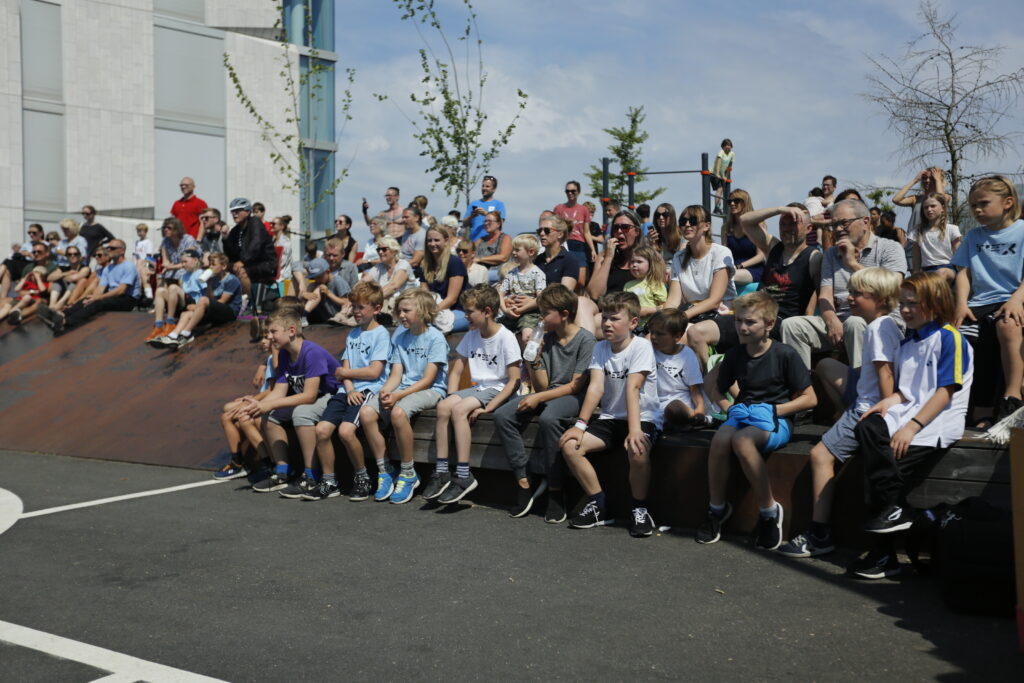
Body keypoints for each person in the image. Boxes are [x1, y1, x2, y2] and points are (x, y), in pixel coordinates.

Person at [850, 272, 973, 579]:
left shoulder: (950, 337)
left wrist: (912, 427)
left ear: (935, 303)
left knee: (883, 472)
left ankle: (884, 554)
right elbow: (907, 391)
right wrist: (888, 402)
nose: (905, 310)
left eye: (913, 303)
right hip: (907, 413)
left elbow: (945, 391)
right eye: (903, 303)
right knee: (867, 427)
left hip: (936, 423)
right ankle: (895, 511)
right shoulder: (908, 343)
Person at [778, 268, 903, 558]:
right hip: (865, 398)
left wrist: (883, 417)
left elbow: (886, 375)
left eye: (859, 294)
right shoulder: (886, 325)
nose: (850, 297)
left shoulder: (877, 328)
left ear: (881, 299)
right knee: (826, 368)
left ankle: (819, 532)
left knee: (820, 455)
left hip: (867, 407)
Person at [697, 291, 817, 550]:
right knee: (720, 440)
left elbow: (810, 399)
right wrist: (727, 406)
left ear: (770, 324)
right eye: (739, 320)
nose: (742, 327)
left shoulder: (785, 354)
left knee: (741, 441)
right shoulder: (736, 354)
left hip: (777, 420)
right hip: (745, 416)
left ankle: (769, 511)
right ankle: (716, 508)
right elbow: (715, 387)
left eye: (750, 322)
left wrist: (774, 410)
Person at [558, 291, 662, 537]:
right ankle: (598, 503)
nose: (606, 324)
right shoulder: (600, 348)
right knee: (570, 445)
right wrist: (580, 425)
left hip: (643, 417)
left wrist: (635, 430)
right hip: (611, 418)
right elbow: (595, 388)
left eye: (614, 319)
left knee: (637, 449)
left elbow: (633, 387)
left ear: (633, 323)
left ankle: (639, 508)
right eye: (604, 318)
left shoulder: (642, 347)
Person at [493, 284, 596, 521]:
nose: (540, 318)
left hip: (571, 397)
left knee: (550, 419)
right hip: (548, 393)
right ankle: (524, 480)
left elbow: (575, 386)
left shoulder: (586, 340)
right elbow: (541, 386)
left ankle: (556, 490)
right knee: (502, 416)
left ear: (564, 314)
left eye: (545, 313)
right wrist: (535, 359)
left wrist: (538, 397)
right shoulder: (547, 338)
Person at [779, 199, 908, 370]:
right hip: (841, 319)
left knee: (854, 323)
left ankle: (863, 389)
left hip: (882, 320)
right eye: (834, 224)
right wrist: (832, 320)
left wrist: (852, 263)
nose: (838, 229)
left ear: (866, 222)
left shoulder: (890, 248)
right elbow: (825, 296)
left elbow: (892, 288)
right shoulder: (832, 254)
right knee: (792, 325)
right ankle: (803, 390)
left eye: (844, 223)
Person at [422, 285, 522, 504]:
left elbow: (514, 381)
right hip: (478, 388)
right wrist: (450, 395)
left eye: (469, 312)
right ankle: (441, 471)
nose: (465, 316)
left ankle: (465, 474)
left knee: (458, 410)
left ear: (487, 311)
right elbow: (456, 370)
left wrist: (490, 407)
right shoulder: (472, 334)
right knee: (443, 407)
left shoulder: (506, 338)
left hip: (497, 389)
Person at [359, 289, 449, 504]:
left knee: (398, 413)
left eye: (406, 310)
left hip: (431, 390)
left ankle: (408, 472)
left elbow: (428, 379)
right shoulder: (400, 335)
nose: (401, 315)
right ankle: (385, 470)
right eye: (399, 311)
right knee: (367, 413)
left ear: (424, 311)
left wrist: (398, 395)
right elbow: (396, 373)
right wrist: (387, 390)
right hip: (405, 387)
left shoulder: (435, 338)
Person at [239, 308, 341, 495]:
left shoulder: (311, 352)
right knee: (269, 415)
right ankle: (283, 472)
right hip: (315, 397)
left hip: (334, 396)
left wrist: (268, 403)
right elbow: (279, 391)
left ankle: (312, 475)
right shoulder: (285, 354)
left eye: (273, 332)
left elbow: (309, 395)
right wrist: (257, 405)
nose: (269, 337)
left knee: (301, 412)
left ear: (292, 331)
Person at [309, 281, 392, 501]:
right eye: (353, 306)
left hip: (369, 391)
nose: (355, 311)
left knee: (346, 431)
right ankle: (329, 481)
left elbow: (374, 372)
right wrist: (349, 386)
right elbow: (343, 370)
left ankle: (362, 477)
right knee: (322, 430)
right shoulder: (352, 334)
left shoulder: (381, 334)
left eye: (360, 307)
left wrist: (348, 378)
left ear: (376, 308)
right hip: (347, 391)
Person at [952, 175, 1024, 426]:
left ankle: (1013, 396)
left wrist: (1016, 299)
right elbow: (964, 272)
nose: (977, 210)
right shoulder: (973, 236)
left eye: (983, 203)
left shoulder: (1022, 231)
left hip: (1015, 299)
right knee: (963, 337)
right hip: (980, 303)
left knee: (1007, 324)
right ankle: (979, 409)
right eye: (973, 206)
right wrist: (962, 303)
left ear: (1007, 202)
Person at [664, 205, 738, 369]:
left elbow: (714, 300)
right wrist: (665, 318)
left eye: (693, 220)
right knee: (652, 336)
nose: (687, 225)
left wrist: (681, 317)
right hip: (693, 316)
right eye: (683, 221)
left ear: (706, 226)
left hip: (722, 314)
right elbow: (673, 300)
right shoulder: (679, 257)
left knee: (677, 337)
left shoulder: (720, 253)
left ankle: (704, 386)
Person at [740, 203, 822, 326]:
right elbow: (745, 221)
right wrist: (779, 209)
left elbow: (822, 297)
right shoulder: (773, 247)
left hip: (783, 323)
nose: (786, 229)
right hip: (754, 314)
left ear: (808, 229)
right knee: (701, 330)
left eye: (793, 223)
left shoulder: (814, 258)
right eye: (782, 224)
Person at [37, 239, 140, 335]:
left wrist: (97, 298)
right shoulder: (108, 268)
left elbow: (121, 290)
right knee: (87, 299)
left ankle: (66, 322)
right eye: (108, 248)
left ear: (122, 251)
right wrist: (92, 298)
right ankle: (61, 315)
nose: (109, 250)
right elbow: (100, 289)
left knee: (99, 303)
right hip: (113, 296)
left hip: (127, 300)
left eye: (112, 248)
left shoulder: (128, 266)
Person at [215, 332, 278, 481]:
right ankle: (238, 461)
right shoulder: (269, 359)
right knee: (227, 407)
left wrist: (251, 401)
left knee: (228, 417)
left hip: (269, 401)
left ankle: (241, 463)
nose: (263, 342)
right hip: (263, 399)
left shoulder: (277, 359)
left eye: (266, 338)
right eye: (262, 338)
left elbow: (272, 390)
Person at [149, 253, 242, 349]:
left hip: (230, 313)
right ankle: (173, 336)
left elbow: (222, 301)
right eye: (210, 264)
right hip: (217, 310)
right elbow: (210, 299)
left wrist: (198, 306)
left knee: (202, 301)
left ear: (223, 266)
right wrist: (209, 283)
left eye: (213, 264)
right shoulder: (213, 279)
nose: (210, 267)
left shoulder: (231, 280)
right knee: (185, 314)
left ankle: (186, 333)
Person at [649, 309, 707, 430]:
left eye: (659, 334)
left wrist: (700, 411)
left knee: (674, 408)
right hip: (654, 405)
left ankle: (698, 420)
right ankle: (679, 425)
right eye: (652, 332)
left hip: (679, 404)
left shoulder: (686, 354)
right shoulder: (648, 351)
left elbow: (695, 389)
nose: (653, 337)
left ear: (677, 336)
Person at [224, 197, 278, 312]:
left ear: (248, 211)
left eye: (238, 210)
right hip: (249, 263)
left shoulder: (255, 222)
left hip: (266, 264)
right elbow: (231, 254)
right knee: (221, 268)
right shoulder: (235, 230)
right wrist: (224, 238)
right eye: (233, 211)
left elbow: (256, 244)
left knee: (241, 271)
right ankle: (227, 303)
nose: (234, 214)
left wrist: (243, 261)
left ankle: (249, 304)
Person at [497, 234, 547, 344]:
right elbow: (500, 294)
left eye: (517, 250)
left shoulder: (538, 274)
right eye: (513, 249)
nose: (513, 253)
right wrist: (505, 310)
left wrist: (520, 310)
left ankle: (530, 360)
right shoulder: (511, 273)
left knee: (527, 338)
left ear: (531, 252)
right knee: (496, 332)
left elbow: (540, 298)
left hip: (530, 314)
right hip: (510, 312)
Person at [420, 224, 469, 332]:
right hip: (435, 310)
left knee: (429, 329)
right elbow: (424, 295)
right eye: (429, 240)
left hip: (459, 311)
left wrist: (430, 313)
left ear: (446, 241)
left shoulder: (454, 262)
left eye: (437, 240)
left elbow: (452, 299)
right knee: (410, 324)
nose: (433, 244)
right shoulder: (425, 265)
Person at [911, 193, 961, 281]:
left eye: (933, 206)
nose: (929, 209)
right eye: (926, 207)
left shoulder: (952, 229)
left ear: (942, 208)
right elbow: (916, 258)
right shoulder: (917, 231)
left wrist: (962, 277)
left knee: (941, 273)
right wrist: (915, 276)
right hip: (926, 270)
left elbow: (959, 255)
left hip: (948, 268)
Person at [362, 236, 416, 315]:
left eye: (384, 249)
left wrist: (370, 300)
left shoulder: (403, 264)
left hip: (405, 306)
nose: (380, 252)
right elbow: (363, 282)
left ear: (394, 251)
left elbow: (393, 287)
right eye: (378, 249)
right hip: (385, 304)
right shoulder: (379, 266)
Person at [721, 189, 765, 286]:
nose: (732, 204)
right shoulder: (726, 227)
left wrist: (740, 266)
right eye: (729, 202)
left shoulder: (757, 224)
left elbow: (761, 256)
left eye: (736, 201)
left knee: (726, 276)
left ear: (745, 203)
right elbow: (724, 254)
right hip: (732, 268)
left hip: (753, 268)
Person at [893, 167, 951, 240]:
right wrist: (915, 180)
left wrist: (938, 180)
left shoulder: (946, 196)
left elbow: (940, 200)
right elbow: (896, 200)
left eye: (931, 178)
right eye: (924, 178)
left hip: (933, 241)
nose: (927, 180)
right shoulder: (916, 199)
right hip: (913, 240)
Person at [554, 180, 596, 273]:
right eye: (567, 191)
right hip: (563, 244)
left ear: (578, 192)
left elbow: (586, 232)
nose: (570, 193)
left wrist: (592, 250)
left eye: (573, 191)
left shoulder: (584, 209)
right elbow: (554, 229)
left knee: (580, 280)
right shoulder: (558, 208)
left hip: (579, 245)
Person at [622, 245, 667, 329]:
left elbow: (663, 306)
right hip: (632, 327)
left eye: (639, 262)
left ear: (651, 264)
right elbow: (626, 307)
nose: (634, 265)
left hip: (652, 326)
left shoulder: (656, 284)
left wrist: (646, 311)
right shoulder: (627, 285)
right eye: (632, 262)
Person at [301, 257, 351, 325]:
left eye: (319, 277)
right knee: (313, 286)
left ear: (328, 271)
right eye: (315, 277)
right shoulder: (317, 283)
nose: (317, 280)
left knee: (319, 287)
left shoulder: (337, 281)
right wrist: (304, 294)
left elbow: (345, 303)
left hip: (339, 316)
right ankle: (303, 315)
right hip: (324, 317)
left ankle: (304, 315)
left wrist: (329, 294)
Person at [47, 245, 91, 312]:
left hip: (76, 295)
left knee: (73, 283)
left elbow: (74, 278)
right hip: (63, 292)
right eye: (69, 254)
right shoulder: (64, 268)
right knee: (57, 282)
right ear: (66, 257)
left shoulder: (85, 268)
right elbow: (49, 277)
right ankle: (52, 305)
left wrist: (61, 276)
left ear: (79, 256)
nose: (72, 256)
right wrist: (66, 273)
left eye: (75, 254)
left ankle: (58, 305)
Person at [158, 217, 199, 287]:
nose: (165, 229)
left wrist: (171, 267)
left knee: (181, 273)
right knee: (161, 276)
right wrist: (166, 267)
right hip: (172, 267)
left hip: (187, 267)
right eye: (164, 227)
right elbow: (165, 261)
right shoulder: (165, 241)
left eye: (169, 228)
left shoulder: (188, 240)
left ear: (177, 229)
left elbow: (188, 262)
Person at [464, 175, 506, 242]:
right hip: (473, 241)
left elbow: (500, 223)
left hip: (491, 242)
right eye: (483, 186)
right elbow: (464, 224)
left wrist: (486, 214)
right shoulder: (473, 204)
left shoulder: (499, 204)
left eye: (487, 186)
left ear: (494, 189)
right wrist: (471, 216)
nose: (484, 188)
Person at [473, 211, 513, 279]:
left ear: (498, 224)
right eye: (485, 221)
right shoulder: (481, 239)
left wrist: (480, 259)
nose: (486, 223)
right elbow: (471, 253)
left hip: (497, 272)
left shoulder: (505, 238)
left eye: (489, 221)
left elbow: (503, 257)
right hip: (479, 270)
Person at [399, 206, 426, 270]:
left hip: (412, 269)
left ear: (416, 218)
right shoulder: (406, 233)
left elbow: (415, 262)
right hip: (402, 264)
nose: (403, 220)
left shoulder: (422, 235)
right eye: (403, 217)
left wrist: (396, 267)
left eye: (406, 217)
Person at [711, 139, 734, 214]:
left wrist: (726, 176)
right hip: (714, 173)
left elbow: (729, 166)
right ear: (723, 146)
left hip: (722, 175)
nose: (728, 147)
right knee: (719, 189)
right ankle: (717, 207)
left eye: (729, 145)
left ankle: (717, 207)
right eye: (726, 145)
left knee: (721, 191)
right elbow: (718, 162)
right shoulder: (721, 152)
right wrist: (717, 173)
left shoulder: (732, 154)